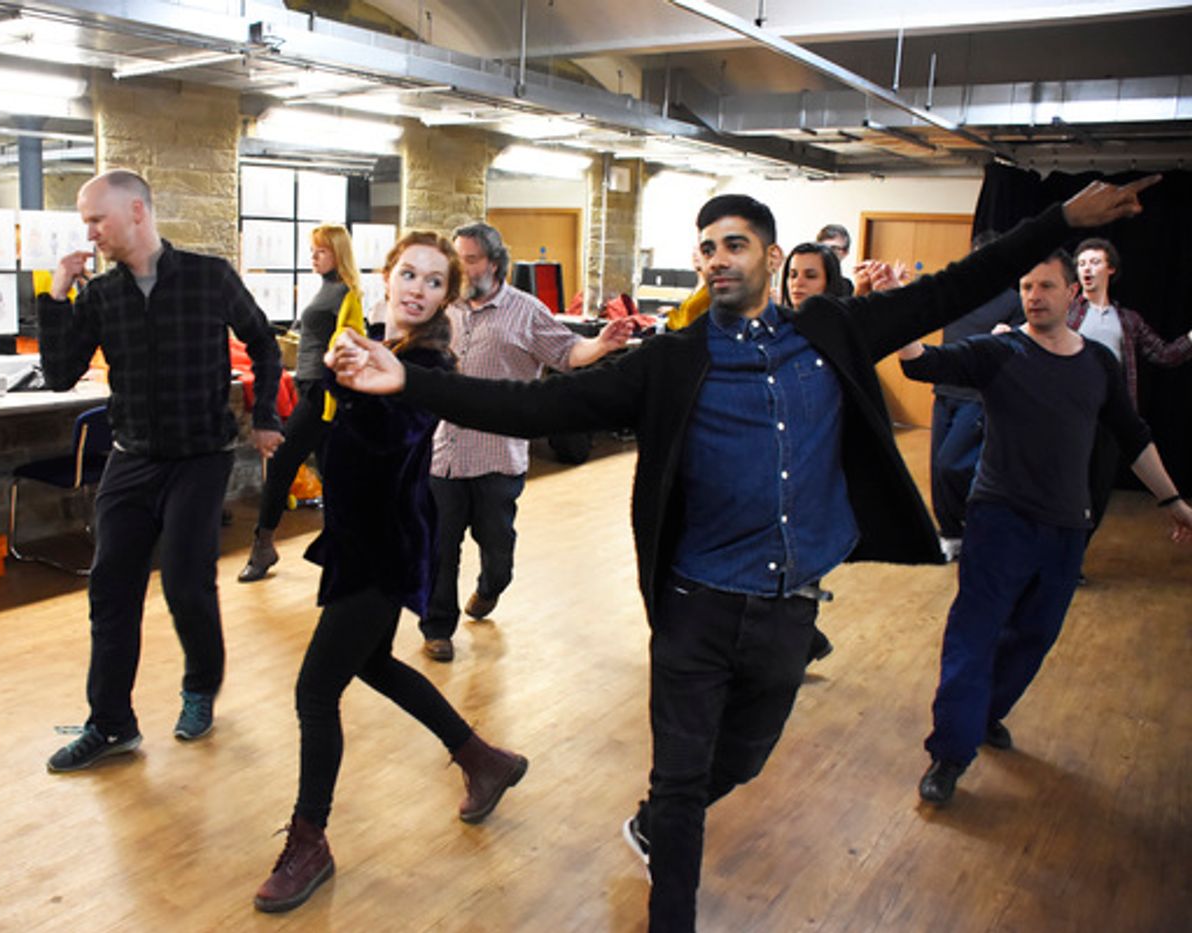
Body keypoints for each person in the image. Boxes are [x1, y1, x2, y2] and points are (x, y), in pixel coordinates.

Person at [327, 177, 1158, 932]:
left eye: (734, 243)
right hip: (696, 603)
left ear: (769, 254)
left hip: (790, 607)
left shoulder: (830, 330)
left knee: (747, 758)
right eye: (707, 247)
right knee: (686, 783)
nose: (718, 258)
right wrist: (410, 381)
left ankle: (656, 819)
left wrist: (1059, 220)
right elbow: (536, 404)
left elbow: (956, 285)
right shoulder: (672, 359)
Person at [253, 231, 527, 914]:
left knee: (316, 691)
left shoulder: (423, 360)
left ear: (447, 297)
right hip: (359, 537)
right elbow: (336, 439)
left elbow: (386, 440)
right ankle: (482, 759)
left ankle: (310, 840)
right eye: (410, 274)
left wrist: (356, 383)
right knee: (373, 664)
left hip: (384, 544)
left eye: (435, 282)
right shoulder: (384, 345)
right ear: (386, 274)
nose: (418, 289)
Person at [900, 250, 1192, 806]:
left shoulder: (1098, 366)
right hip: (998, 521)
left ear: (1071, 296)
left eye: (1046, 286)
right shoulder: (1000, 351)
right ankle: (950, 752)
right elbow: (921, 364)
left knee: (1034, 636)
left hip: (1064, 528)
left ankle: (984, 716)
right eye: (1027, 286)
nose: (1034, 296)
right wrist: (898, 307)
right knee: (974, 634)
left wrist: (1173, 500)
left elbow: (1133, 436)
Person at [38, 169, 284, 773]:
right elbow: (59, 373)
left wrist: (265, 415)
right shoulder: (100, 296)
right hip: (131, 458)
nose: (89, 232)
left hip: (200, 457)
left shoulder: (208, 277)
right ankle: (111, 724)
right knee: (110, 589)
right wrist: (54, 296)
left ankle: (200, 688)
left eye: (97, 219)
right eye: (85, 222)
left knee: (184, 582)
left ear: (138, 213)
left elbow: (264, 343)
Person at [419, 221, 631, 662]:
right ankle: (437, 627)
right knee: (440, 548)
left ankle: (489, 588)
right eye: (457, 257)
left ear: (494, 264)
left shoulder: (526, 310)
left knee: (498, 553)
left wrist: (600, 344)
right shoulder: (444, 308)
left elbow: (568, 352)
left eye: (471, 258)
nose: (462, 266)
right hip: (445, 453)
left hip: (499, 454)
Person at [239, 224, 364, 582]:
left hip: (322, 392)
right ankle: (342, 550)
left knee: (281, 464)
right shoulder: (324, 291)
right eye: (312, 251)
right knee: (331, 474)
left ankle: (263, 547)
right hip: (308, 386)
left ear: (337, 254)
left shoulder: (345, 293)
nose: (313, 257)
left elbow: (351, 341)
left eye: (320, 251)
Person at [1067, 238, 1192, 540]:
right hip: (1071, 416)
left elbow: (1164, 354)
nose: (1087, 269)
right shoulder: (1067, 313)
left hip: (1110, 418)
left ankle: (1075, 556)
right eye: (1082, 263)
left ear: (1110, 269)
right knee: (1069, 489)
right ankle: (1060, 556)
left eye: (1094, 262)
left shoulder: (1127, 320)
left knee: (1097, 493)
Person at [925, 232, 1026, 560]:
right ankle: (951, 532)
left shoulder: (1014, 301)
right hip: (944, 390)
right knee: (937, 468)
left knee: (951, 463)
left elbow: (1023, 347)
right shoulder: (955, 296)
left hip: (979, 395)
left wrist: (1009, 338)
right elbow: (916, 308)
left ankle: (978, 521)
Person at [777, 241, 850, 663]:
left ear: (829, 283)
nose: (798, 284)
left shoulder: (838, 333)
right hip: (778, 463)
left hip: (817, 465)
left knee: (802, 565)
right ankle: (804, 640)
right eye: (793, 274)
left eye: (810, 275)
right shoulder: (774, 327)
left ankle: (797, 647)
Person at [815, 222, 854, 295]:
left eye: (834, 249)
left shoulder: (846, 286)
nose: (827, 253)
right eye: (823, 248)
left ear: (845, 253)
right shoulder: (805, 280)